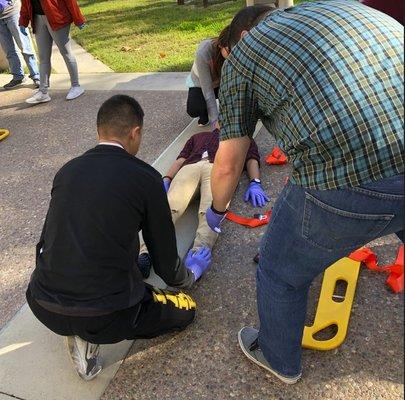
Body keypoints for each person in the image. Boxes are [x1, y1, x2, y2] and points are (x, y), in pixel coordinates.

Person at [206, 3, 404, 384]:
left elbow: (228, 164)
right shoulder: (333, 9)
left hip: (350, 175)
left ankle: (278, 359)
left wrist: (216, 212)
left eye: (227, 53)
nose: (229, 61)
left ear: (242, 36)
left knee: (279, 272)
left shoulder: (245, 54)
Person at [26, 95, 199, 381]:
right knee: (187, 311)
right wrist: (187, 277)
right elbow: (165, 259)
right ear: (135, 133)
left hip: (42, 302)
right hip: (106, 314)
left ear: (99, 131)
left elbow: (51, 237)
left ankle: (78, 330)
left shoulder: (67, 171)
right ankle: (87, 333)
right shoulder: (145, 178)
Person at [138, 129, 268, 277]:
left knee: (211, 211)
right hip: (190, 167)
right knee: (169, 206)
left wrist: (255, 181)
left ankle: (197, 255)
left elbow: (252, 159)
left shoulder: (242, 139)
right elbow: (181, 159)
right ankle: (145, 253)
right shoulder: (197, 137)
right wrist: (167, 178)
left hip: (219, 169)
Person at [19, 0, 86, 104]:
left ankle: (76, 86)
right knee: (43, 57)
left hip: (57, 17)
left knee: (66, 53)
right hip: (37, 19)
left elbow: (70, 1)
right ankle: (43, 92)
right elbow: (25, 3)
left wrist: (78, 19)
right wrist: (23, 21)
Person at [186, 25, 230, 130]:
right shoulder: (203, 53)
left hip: (221, 82)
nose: (233, 54)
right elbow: (208, 90)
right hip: (201, 84)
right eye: (229, 50)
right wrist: (215, 122)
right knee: (194, 108)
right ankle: (204, 113)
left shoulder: (232, 52)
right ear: (221, 45)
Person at [0, 0, 39, 90]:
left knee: (24, 46)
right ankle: (18, 77)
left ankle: (36, 75)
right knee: (8, 50)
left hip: (12, 12)